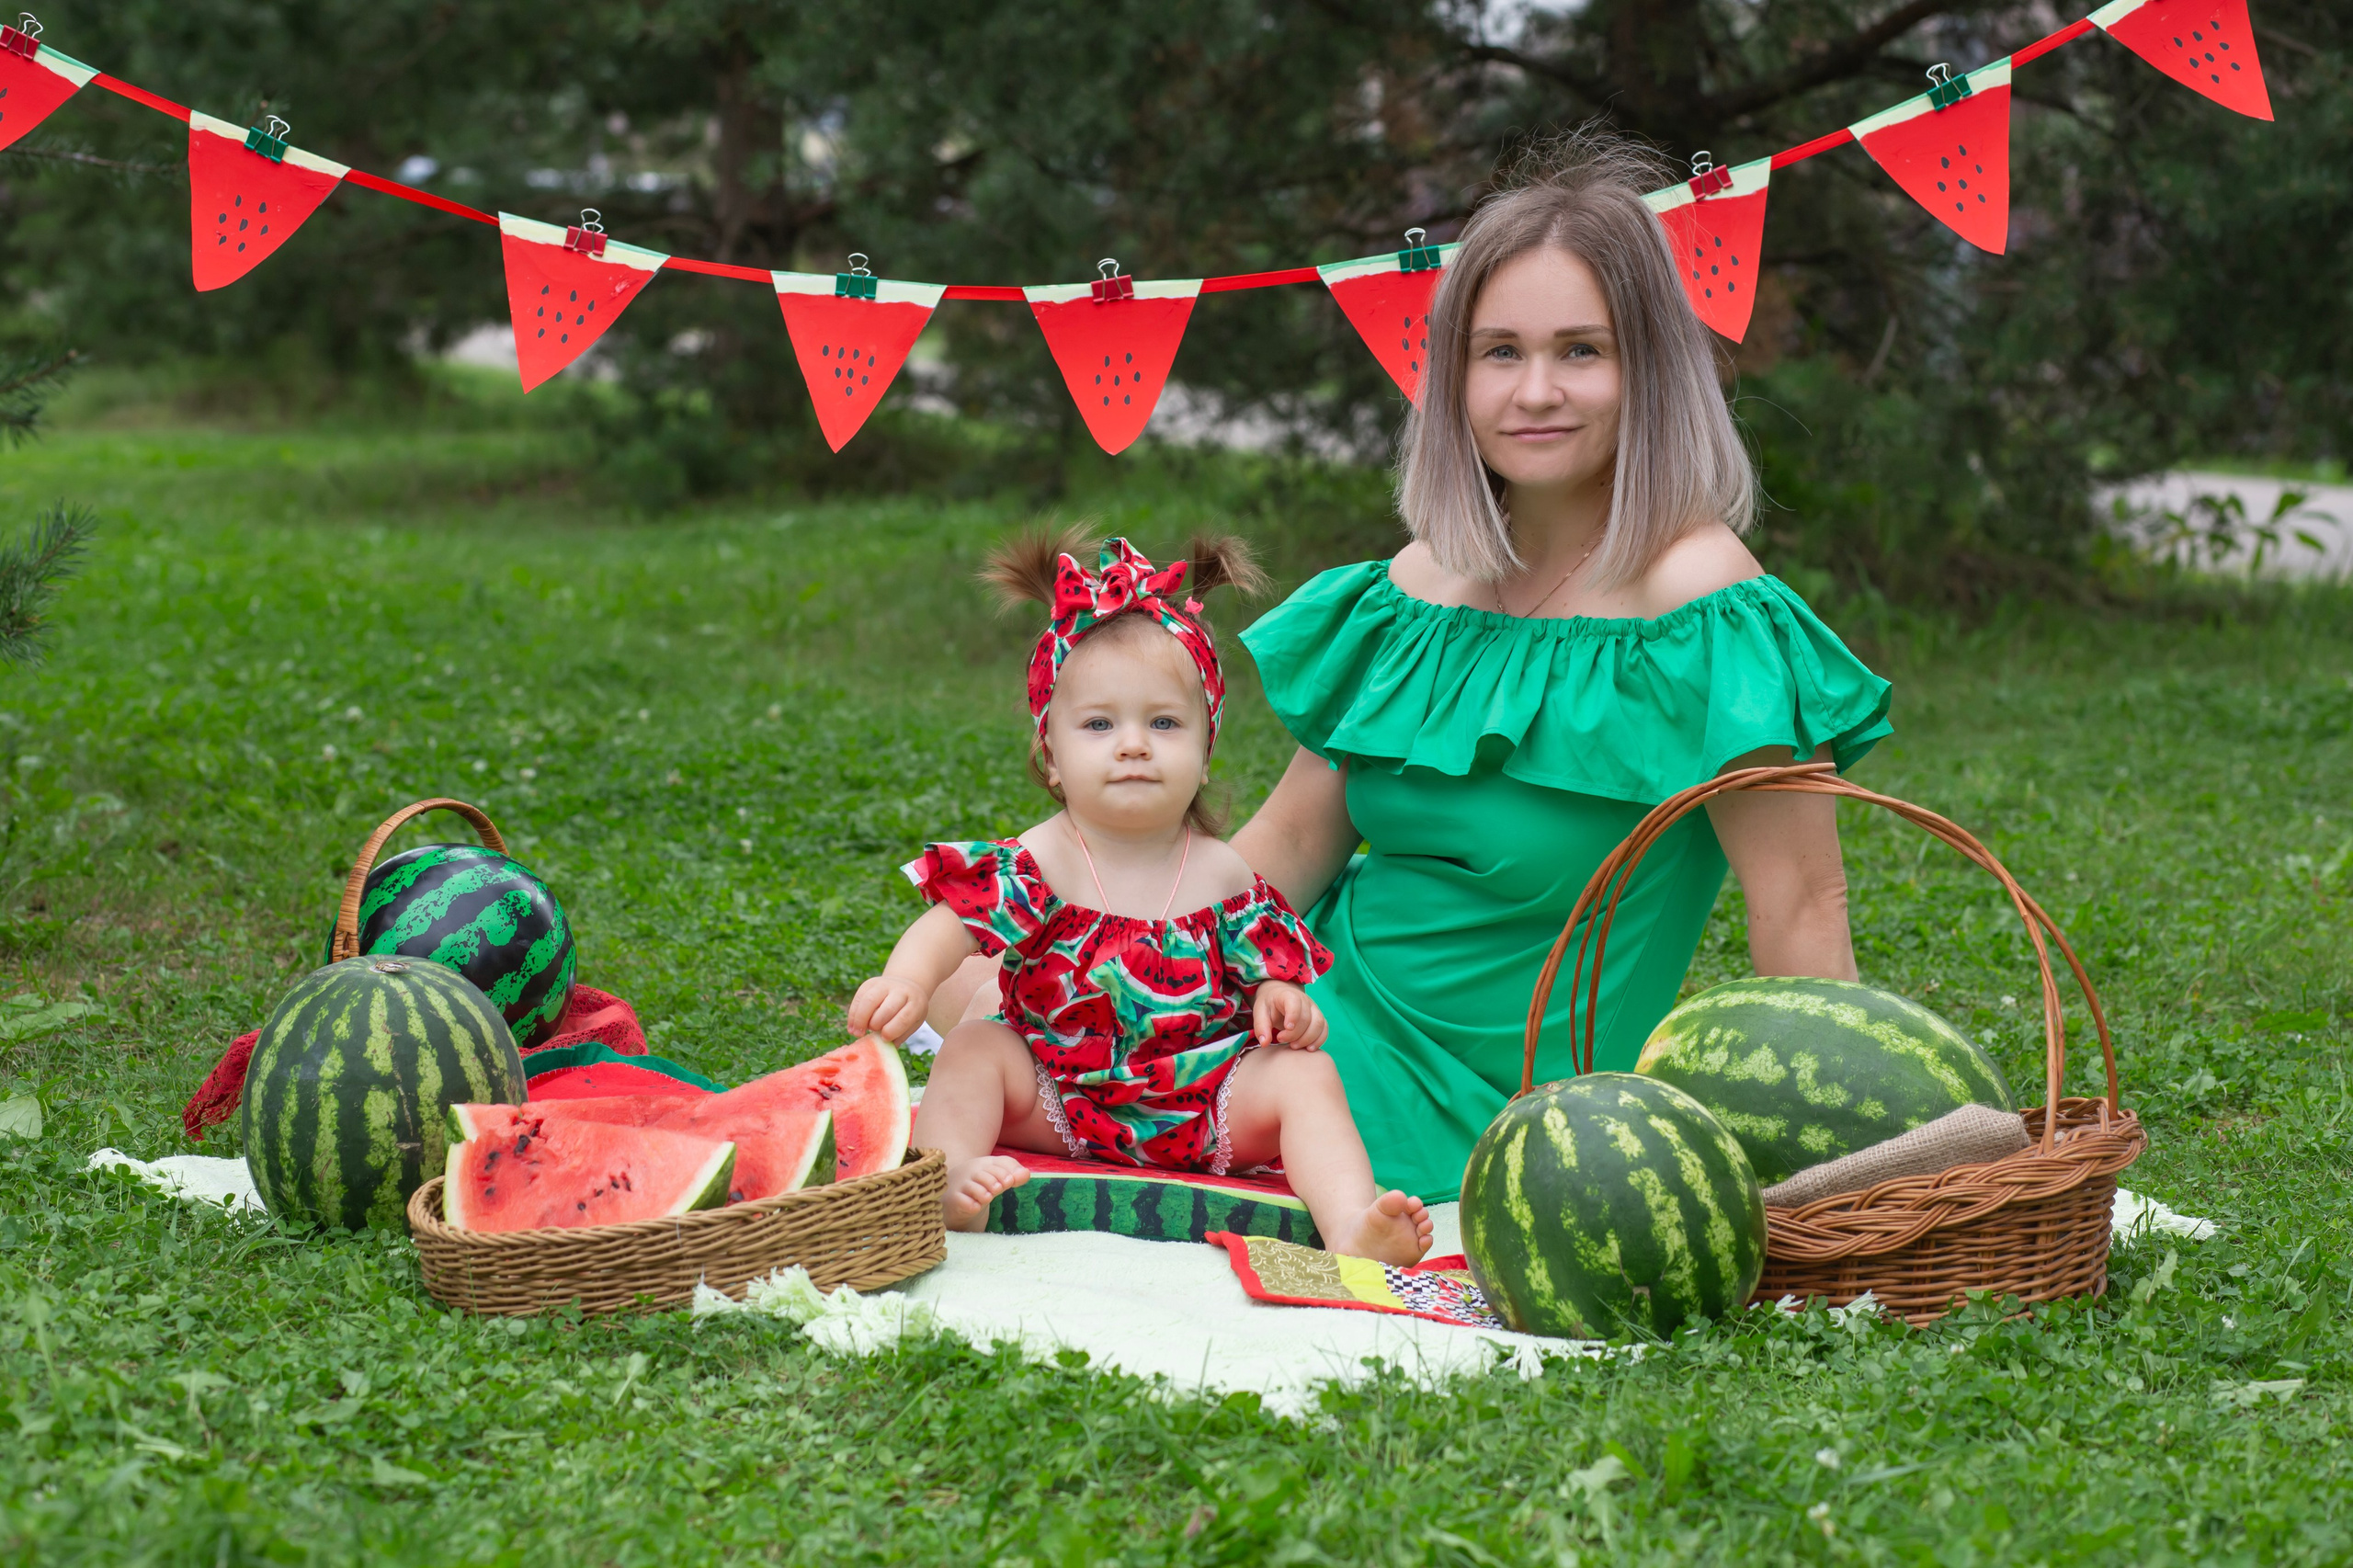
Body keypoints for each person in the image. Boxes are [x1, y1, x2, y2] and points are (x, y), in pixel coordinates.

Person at [1228, 134, 1895, 1199]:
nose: (1534, 390)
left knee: (1082, 1088)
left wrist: (1856, 1161)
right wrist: (1121, 934)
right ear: (1453, 376)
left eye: (1580, 350)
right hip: (1307, 1006)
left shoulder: (1700, 602)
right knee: (1023, 1011)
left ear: (1650, 370)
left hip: (1499, 1104)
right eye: (1499, 352)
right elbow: (1294, 839)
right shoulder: (1422, 579)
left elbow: (1800, 900)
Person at [847, 531, 1435, 1265]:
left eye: (1164, 723)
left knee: (1306, 1074)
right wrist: (906, 981)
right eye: (1099, 725)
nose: (1133, 745)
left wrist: (1282, 1000)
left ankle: (1350, 1222)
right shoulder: (1041, 859)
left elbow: (1269, 972)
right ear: (1051, 757)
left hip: (1204, 1104)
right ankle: (949, 1171)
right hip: (1055, 1097)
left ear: (1205, 745)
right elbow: (949, 927)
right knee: (974, 1046)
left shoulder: (1224, 875)